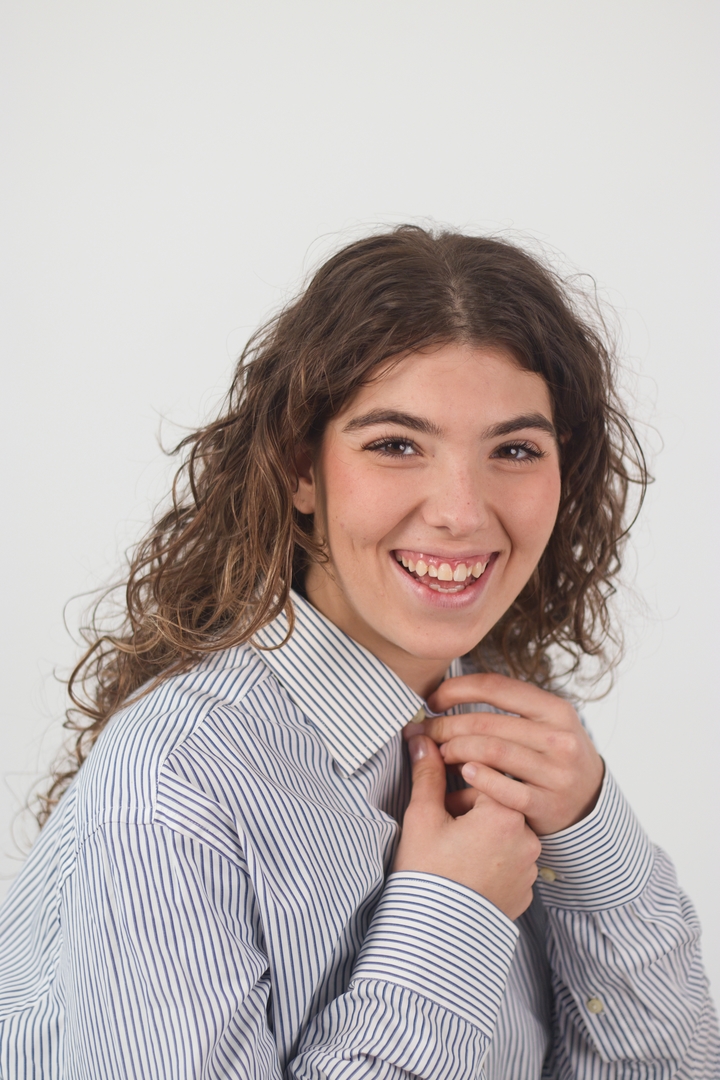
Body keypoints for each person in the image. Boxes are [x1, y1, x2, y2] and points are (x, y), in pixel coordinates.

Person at [0, 226, 717, 1079]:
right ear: (302, 470)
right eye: (396, 445)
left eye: (515, 450)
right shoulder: (172, 787)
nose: (461, 511)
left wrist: (593, 832)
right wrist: (452, 919)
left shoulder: (518, 737)